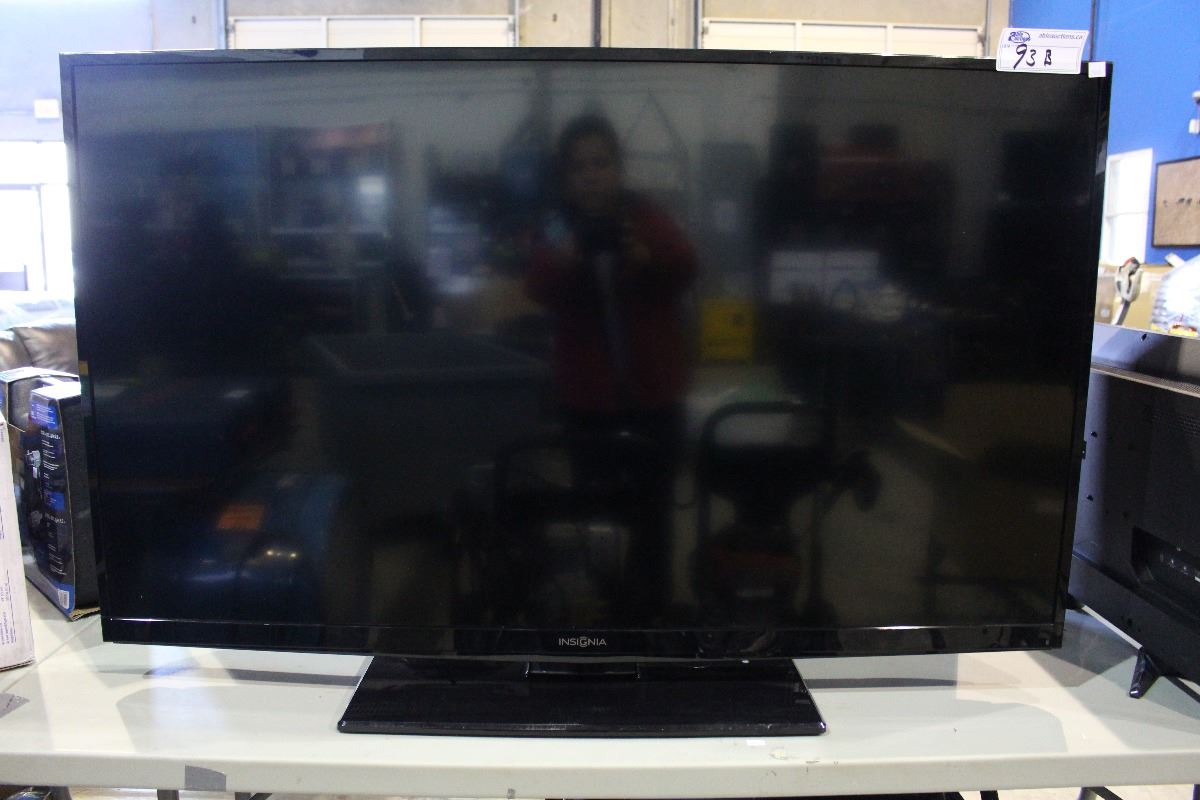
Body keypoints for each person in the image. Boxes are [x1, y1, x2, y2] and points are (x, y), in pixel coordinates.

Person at [524, 114, 697, 620]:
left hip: (654, 398)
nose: (591, 176)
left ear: (619, 169)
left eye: (601, 163)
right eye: (578, 167)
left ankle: (653, 618)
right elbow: (537, 286)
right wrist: (564, 264)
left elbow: (686, 266)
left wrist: (647, 259)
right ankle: (604, 619)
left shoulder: (645, 217)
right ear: (566, 177)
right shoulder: (556, 227)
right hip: (587, 402)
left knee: (653, 515)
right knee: (595, 517)